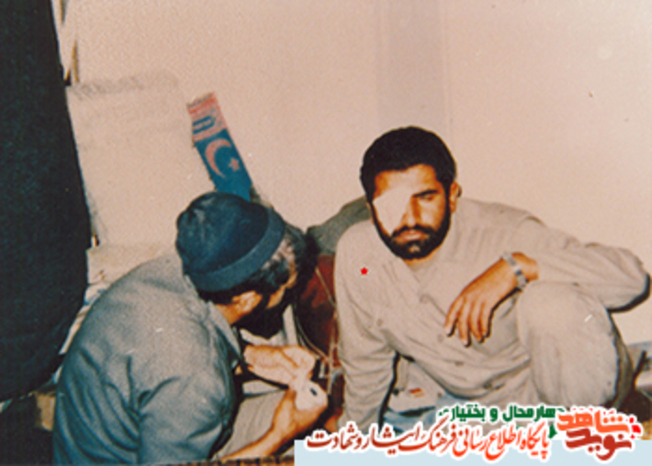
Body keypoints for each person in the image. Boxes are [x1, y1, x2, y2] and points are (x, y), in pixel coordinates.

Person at [334, 126, 649, 432]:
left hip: (572, 390)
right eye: (391, 204)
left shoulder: (502, 231)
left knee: (550, 302)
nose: (410, 218)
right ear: (370, 208)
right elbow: (365, 365)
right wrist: (352, 445)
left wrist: (517, 269)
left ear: (452, 195)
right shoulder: (360, 257)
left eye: (426, 198)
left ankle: (589, 432)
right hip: (485, 411)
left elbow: (632, 279)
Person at [53, 192, 327, 464]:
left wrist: (251, 356)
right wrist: (279, 434)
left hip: (103, 441)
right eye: (286, 288)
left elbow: (172, 347)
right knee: (311, 452)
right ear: (246, 299)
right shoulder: (195, 372)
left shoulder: (175, 268)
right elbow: (184, 365)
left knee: (321, 430)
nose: (287, 294)